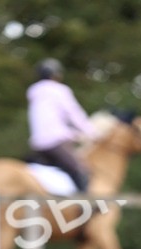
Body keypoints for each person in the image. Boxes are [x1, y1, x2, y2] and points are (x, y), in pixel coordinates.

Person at [27, 59, 94, 192]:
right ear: (56, 74)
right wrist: (92, 132)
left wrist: (73, 135)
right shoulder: (60, 90)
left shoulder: (34, 93)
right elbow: (74, 114)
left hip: (38, 144)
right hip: (56, 142)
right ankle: (86, 207)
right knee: (81, 172)